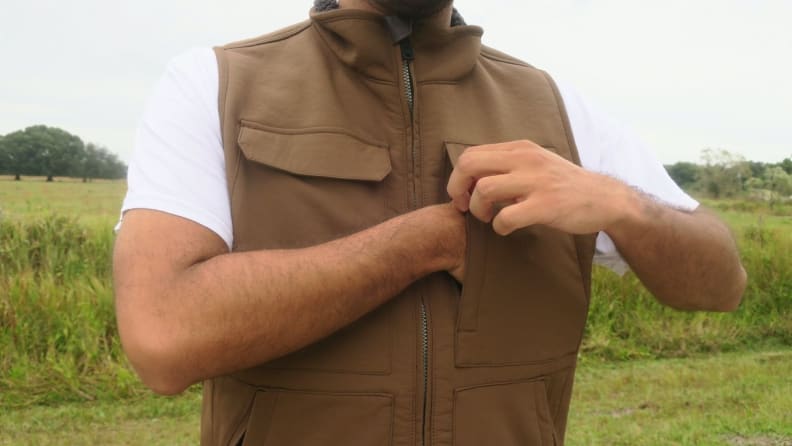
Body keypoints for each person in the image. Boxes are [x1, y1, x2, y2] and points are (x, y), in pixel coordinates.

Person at [113, 1, 747, 445]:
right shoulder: (215, 84)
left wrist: (618, 202)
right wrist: (426, 242)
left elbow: (721, 283)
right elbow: (164, 339)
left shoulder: (555, 108)